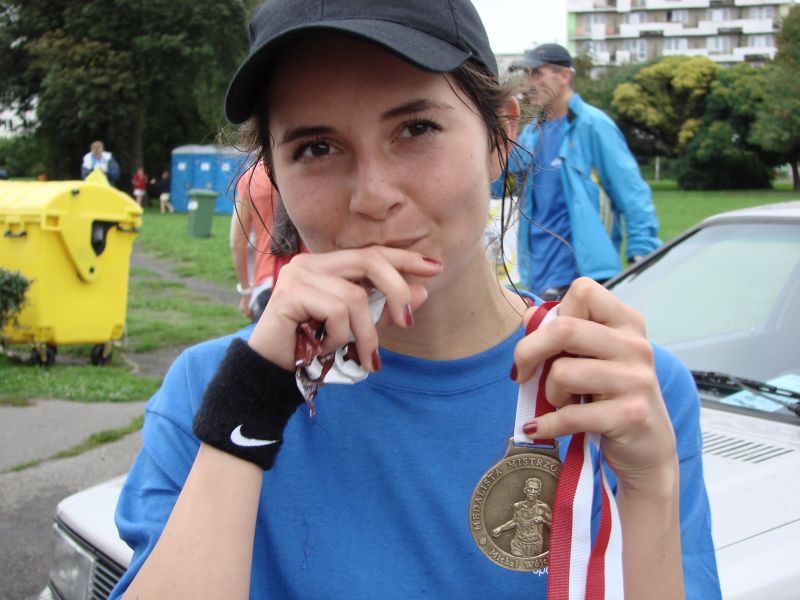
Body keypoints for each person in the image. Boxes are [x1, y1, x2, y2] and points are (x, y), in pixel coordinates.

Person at [110, 2, 720, 599]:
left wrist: (651, 487)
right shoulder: (209, 391)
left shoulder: (616, 389)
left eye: (416, 128)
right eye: (317, 148)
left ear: (501, 138)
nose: (373, 196)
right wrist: (250, 403)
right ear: (273, 175)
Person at [494, 44, 661, 301]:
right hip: (537, 278)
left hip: (585, 278)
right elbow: (499, 186)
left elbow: (632, 192)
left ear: (565, 76)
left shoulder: (593, 125)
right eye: (526, 75)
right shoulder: (531, 133)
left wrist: (643, 253)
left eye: (537, 74)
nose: (529, 83)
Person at [230, 162, 279, 322]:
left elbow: (237, 242)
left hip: (267, 283)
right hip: (312, 279)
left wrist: (246, 291)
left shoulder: (251, 177)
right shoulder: (310, 169)